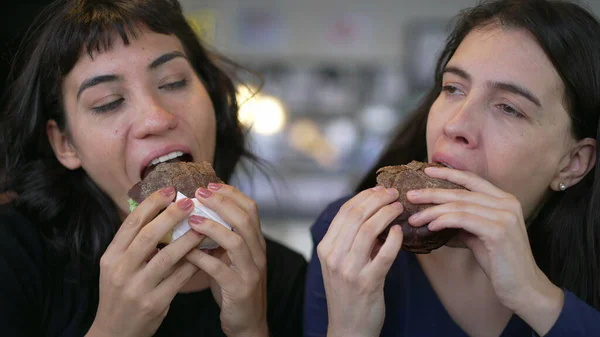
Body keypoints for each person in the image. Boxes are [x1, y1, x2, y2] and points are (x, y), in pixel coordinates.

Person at [0, 0, 307, 336]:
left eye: (173, 82)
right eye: (109, 102)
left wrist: (251, 328)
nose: (156, 119)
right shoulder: (14, 254)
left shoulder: (284, 276)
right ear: (65, 144)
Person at [304, 0, 600, 336]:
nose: (456, 125)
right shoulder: (350, 241)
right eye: (453, 88)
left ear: (572, 164)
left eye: (508, 108)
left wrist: (534, 295)